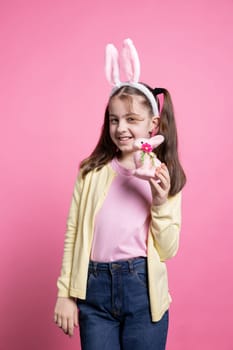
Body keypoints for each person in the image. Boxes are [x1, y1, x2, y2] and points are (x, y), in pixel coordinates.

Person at [53, 39, 186, 350]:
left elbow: (167, 250)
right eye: (114, 119)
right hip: (93, 290)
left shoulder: (163, 175)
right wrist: (65, 293)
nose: (121, 128)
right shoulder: (91, 172)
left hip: (143, 291)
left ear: (153, 125)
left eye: (132, 119)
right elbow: (73, 233)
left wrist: (160, 201)